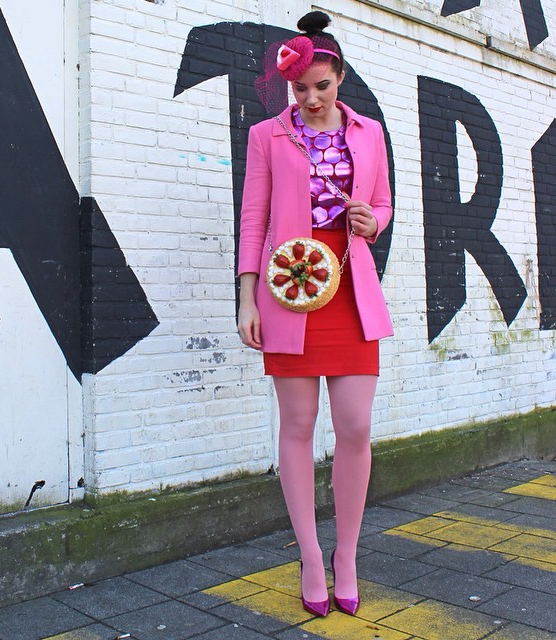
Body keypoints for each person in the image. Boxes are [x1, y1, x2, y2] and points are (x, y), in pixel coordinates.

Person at [237, 11, 393, 618]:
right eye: (299, 89)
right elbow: (254, 218)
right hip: (290, 291)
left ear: (340, 78)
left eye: (320, 86)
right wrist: (248, 296)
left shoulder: (371, 132)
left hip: (351, 289)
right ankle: (308, 555)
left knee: (354, 427)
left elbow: (380, 202)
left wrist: (373, 220)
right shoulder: (266, 136)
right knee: (297, 427)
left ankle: (347, 554)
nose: (309, 98)